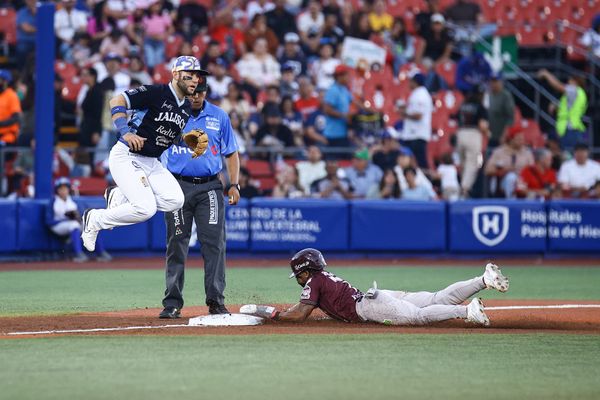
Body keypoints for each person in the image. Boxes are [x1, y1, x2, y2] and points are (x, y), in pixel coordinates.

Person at [80, 56, 206, 252]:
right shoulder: (156, 92)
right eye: (189, 76)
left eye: (197, 77)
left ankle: (119, 194)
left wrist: (187, 141)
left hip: (152, 162)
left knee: (175, 200)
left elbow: (168, 133)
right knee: (145, 209)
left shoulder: (187, 106)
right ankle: (95, 219)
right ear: (175, 74)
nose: (195, 81)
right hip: (127, 156)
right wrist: (125, 131)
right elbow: (117, 100)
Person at [240, 248, 508, 326]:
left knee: (417, 318)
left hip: (372, 305)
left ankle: (468, 313)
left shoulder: (314, 281)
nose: (298, 280)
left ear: (305, 271)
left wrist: (270, 313)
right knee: (436, 297)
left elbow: (298, 315)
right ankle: (482, 280)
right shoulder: (324, 277)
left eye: (298, 275)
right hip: (376, 297)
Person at [158, 79, 240, 319]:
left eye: (200, 92)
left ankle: (216, 301)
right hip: (176, 186)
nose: (196, 96)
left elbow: (232, 152)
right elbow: (159, 148)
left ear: (205, 93)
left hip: (210, 187)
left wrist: (234, 184)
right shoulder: (171, 114)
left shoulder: (219, 116)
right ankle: (172, 303)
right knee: (176, 244)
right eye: (192, 92)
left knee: (214, 244)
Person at [46, 178, 111, 263]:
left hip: (72, 224)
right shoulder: (53, 201)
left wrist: (75, 216)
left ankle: (101, 252)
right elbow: (48, 221)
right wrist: (65, 220)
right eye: (61, 189)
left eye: (65, 188)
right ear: (57, 190)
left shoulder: (72, 200)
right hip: (57, 226)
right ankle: (79, 254)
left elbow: (80, 216)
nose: (63, 191)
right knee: (73, 225)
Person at [537, 69, 588, 151]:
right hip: (572, 129)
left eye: (570, 80)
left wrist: (546, 74)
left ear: (576, 82)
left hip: (570, 130)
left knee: (568, 157)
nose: (568, 82)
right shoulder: (581, 94)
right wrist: (556, 105)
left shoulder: (574, 90)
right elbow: (568, 109)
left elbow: (558, 86)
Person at [456, 87, 489, 198]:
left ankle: (461, 187)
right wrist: (488, 133)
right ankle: (464, 189)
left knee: (463, 164)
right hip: (473, 134)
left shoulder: (463, 105)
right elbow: (482, 125)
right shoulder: (480, 107)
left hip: (460, 133)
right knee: (472, 164)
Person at [484, 127, 534, 199]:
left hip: (523, 181)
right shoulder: (499, 152)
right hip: (502, 182)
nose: (522, 141)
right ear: (511, 139)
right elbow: (487, 170)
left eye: (522, 139)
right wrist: (504, 170)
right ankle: (511, 203)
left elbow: (533, 170)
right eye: (519, 139)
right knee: (511, 177)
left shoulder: (527, 153)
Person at [399, 72, 433, 169]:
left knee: (419, 163)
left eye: (411, 81)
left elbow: (418, 115)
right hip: (414, 134)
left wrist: (404, 114)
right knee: (413, 163)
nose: (409, 83)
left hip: (417, 134)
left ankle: (427, 181)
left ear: (415, 82)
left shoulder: (421, 94)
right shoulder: (418, 94)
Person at [486, 72, 515, 148]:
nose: (493, 84)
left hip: (500, 136)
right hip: (487, 136)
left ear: (501, 82)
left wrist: (504, 135)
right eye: (492, 81)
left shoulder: (506, 96)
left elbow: (510, 118)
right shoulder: (486, 94)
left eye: (496, 81)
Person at [0, 70, 22, 146]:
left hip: (7, 136)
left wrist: (1, 124)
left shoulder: (11, 95)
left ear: (5, 82)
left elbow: (16, 118)